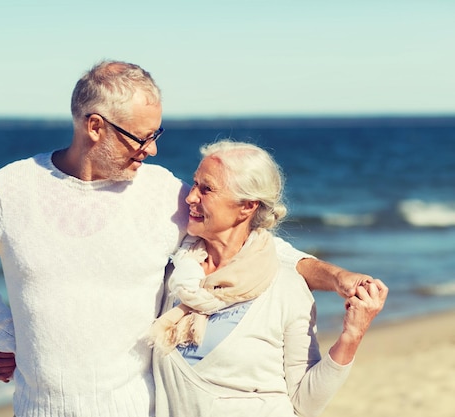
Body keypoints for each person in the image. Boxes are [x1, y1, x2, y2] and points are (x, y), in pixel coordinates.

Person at [0, 60, 373, 417]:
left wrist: (335, 275)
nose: (152, 149)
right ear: (95, 127)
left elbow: (251, 240)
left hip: (140, 407)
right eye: (142, 137)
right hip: (39, 409)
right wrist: (8, 337)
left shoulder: (162, 191)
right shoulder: (12, 188)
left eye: (156, 134)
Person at [147, 140, 388, 417]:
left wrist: (352, 335)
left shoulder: (286, 288)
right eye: (194, 184)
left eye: (207, 188)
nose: (190, 197)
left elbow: (305, 403)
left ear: (246, 207)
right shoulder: (179, 270)